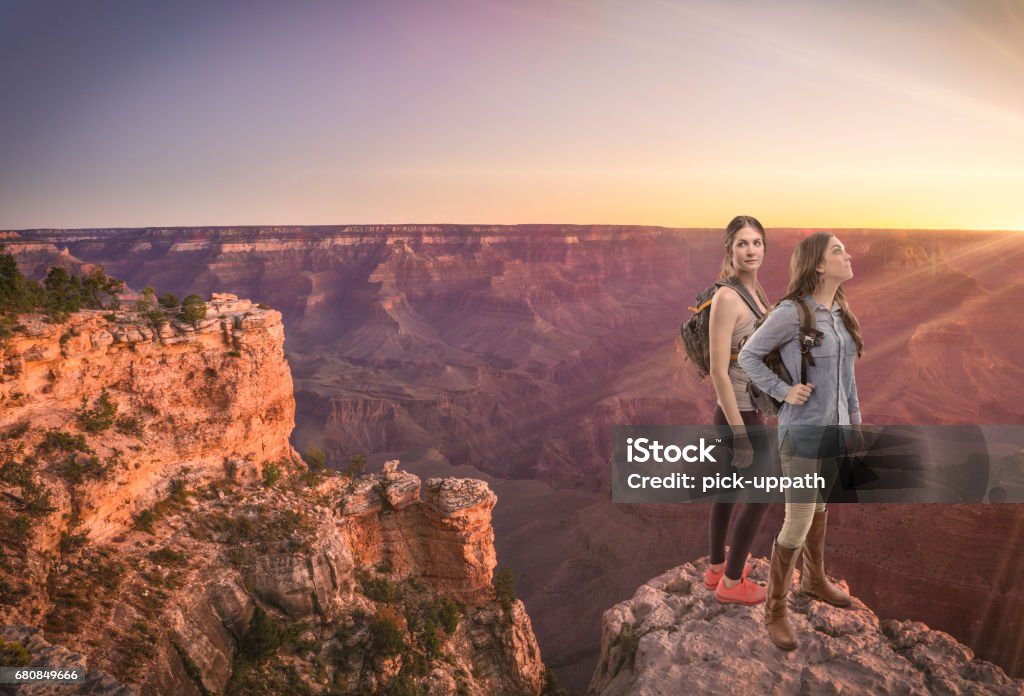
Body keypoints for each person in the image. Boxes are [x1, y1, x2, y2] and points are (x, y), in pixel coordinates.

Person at [738, 232, 864, 650]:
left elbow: (848, 379)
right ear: (818, 266)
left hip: (835, 429)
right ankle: (775, 611)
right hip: (802, 431)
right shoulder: (792, 313)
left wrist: (855, 424)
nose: (848, 256)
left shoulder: (841, 314)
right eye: (838, 251)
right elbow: (748, 356)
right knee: (798, 516)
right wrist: (783, 390)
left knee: (821, 506)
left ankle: (813, 580)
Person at [704, 215, 773, 605]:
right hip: (738, 415)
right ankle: (731, 584)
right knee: (763, 493)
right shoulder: (728, 297)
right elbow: (718, 370)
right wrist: (741, 434)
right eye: (743, 244)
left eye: (757, 243)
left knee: (728, 489)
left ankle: (715, 569)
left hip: (749, 409)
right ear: (730, 249)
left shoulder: (756, 291)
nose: (751, 250)